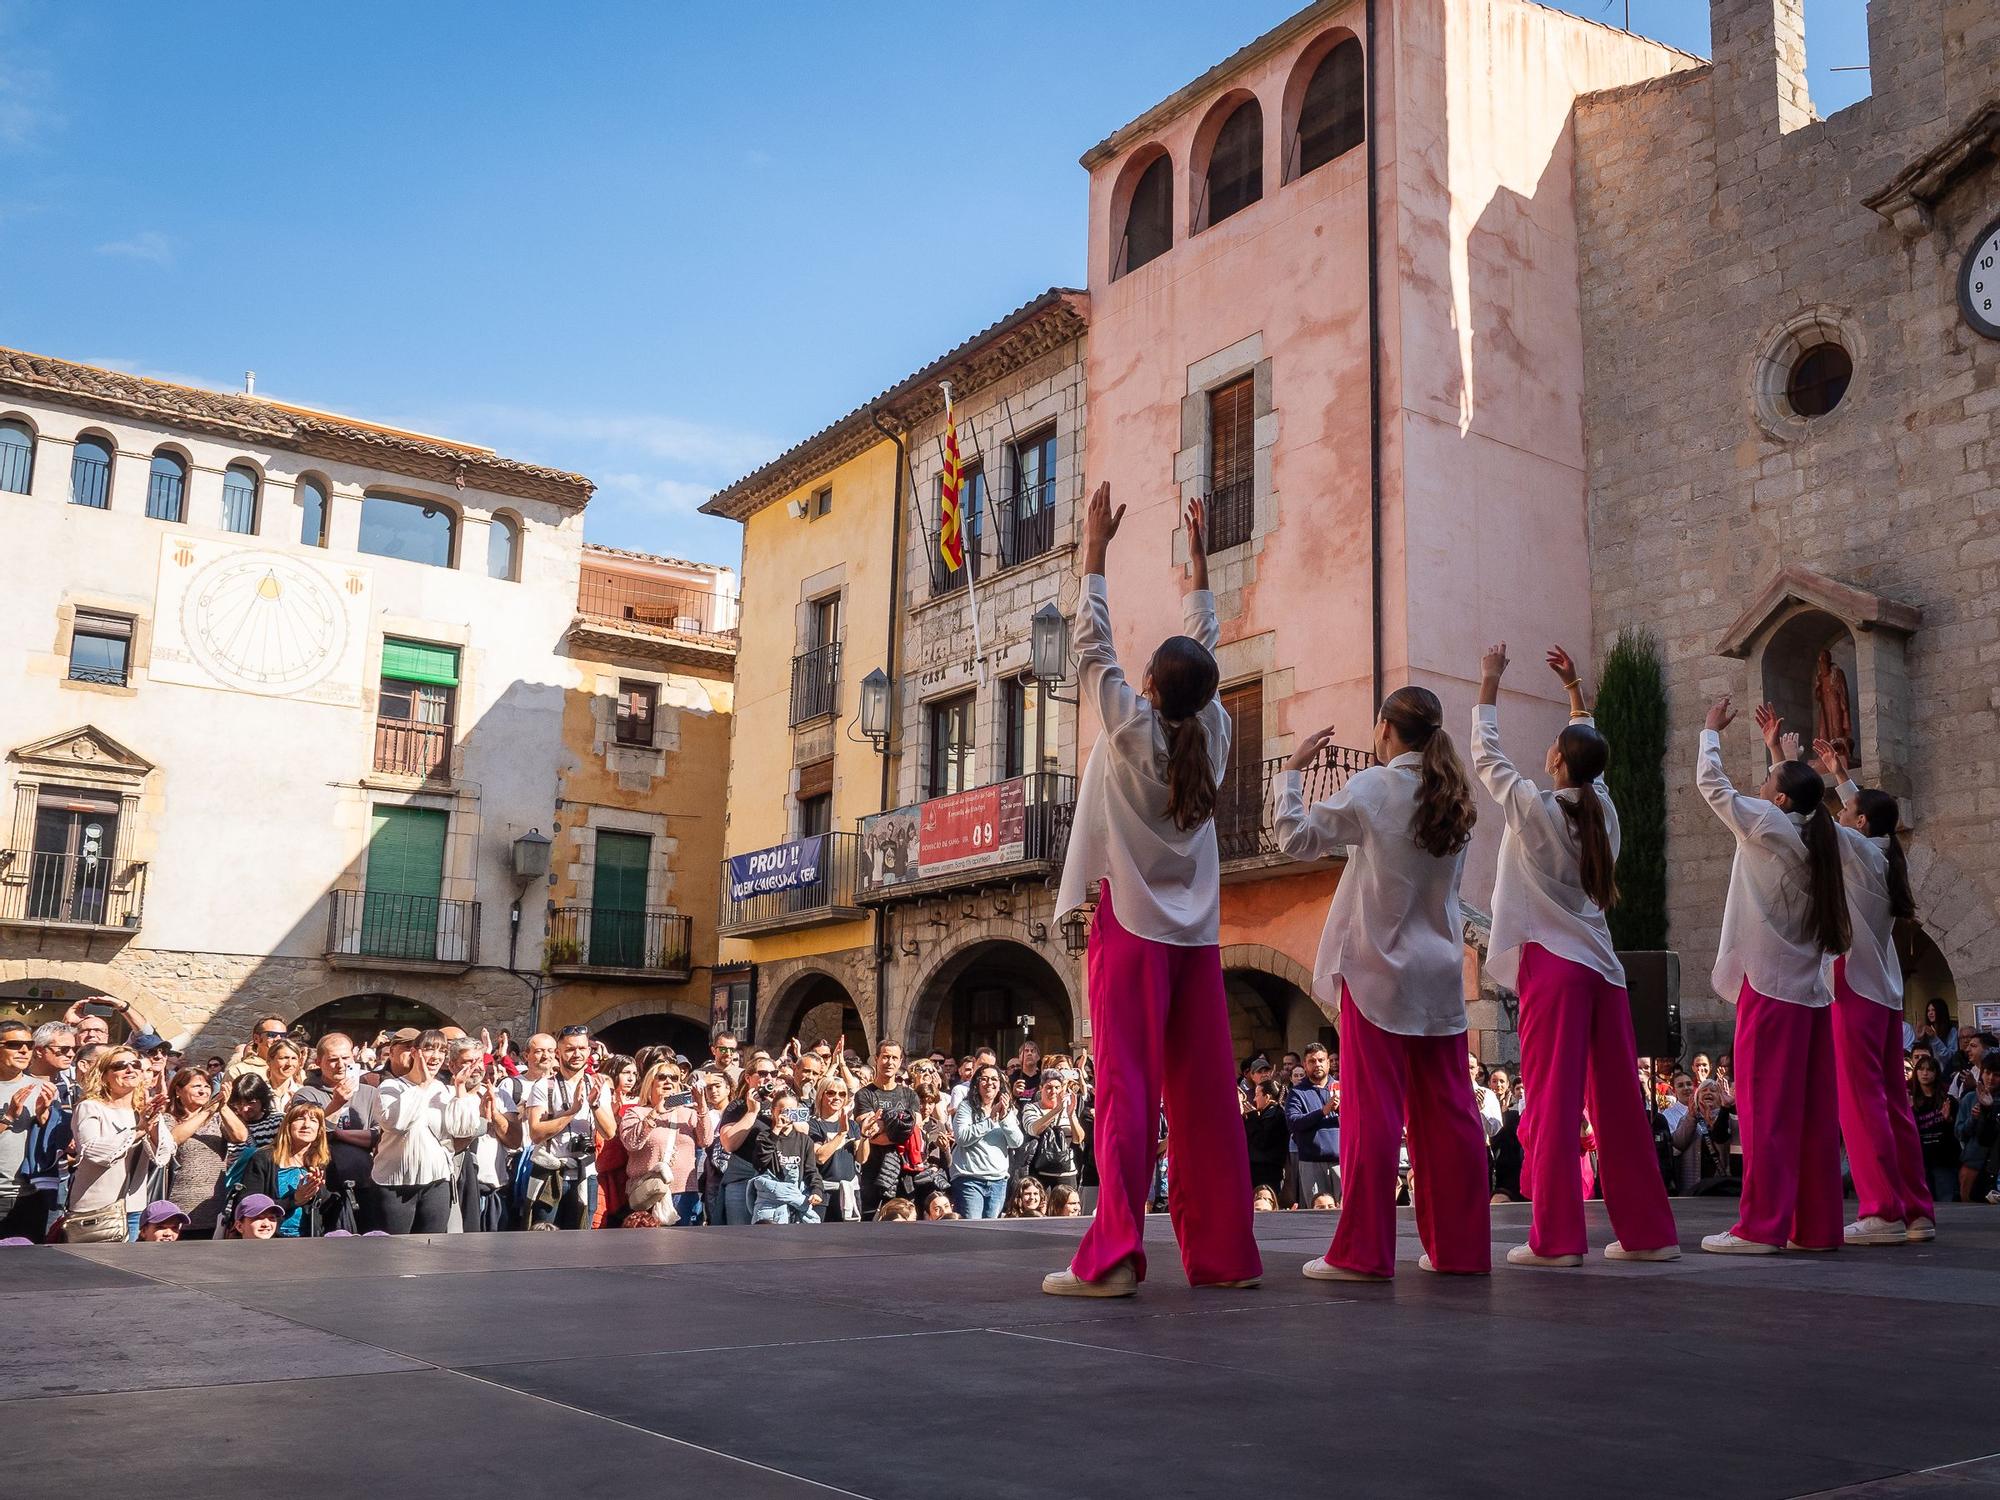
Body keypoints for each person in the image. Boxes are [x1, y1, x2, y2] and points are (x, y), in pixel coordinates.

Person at [1045, 484, 1261, 1298]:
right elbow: (1206, 653)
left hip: (1133, 931)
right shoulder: (1216, 728)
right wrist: (1200, 569)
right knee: (1206, 1097)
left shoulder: (1133, 729)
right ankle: (1226, 1258)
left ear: (1151, 688)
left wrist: (1094, 548)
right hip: (1196, 937)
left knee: (1127, 1093)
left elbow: (1089, 646)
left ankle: (1113, 1260)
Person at [1473, 643, 1680, 1267]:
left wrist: (1489, 680)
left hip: (1554, 971)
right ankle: (1649, 1235)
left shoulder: (1535, 809)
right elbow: (1593, 761)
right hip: (1604, 971)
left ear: (1556, 759)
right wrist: (1575, 694)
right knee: (1617, 1106)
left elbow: (1486, 755)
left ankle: (1556, 1240)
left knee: (1554, 1104)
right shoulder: (1604, 809)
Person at [1276, 684, 1491, 1282]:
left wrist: (1292, 773)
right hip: (1440, 970)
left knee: (1373, 1117)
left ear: (1385, 729)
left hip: (1377, 972)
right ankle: (1462, 1249)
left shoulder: (1377, 787)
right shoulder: (1455, 798)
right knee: (1450, 1115)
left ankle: (1363, 1254)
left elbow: (1295, 837)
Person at [1695, 700, 1850, 1255]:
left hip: (1770, 987)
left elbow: (1714, 787)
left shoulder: (1768, 824)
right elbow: (1788, 798)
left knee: (1763, 1112)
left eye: (1767, 781)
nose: (1759, 787)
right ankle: (1815, 1226)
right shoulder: (1818, 836)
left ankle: (1760, 1228)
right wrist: (1778, 755)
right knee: (1810, 1116)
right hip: (1809, 992)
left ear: (1780, 799)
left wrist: (1710, 734)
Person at [1813, 739, 1934, 1245]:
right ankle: (1915, 1210)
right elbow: (1857, 819)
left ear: (1860, 824)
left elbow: (1812, 819)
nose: (1842, 815)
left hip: (1855, 990)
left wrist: (1785, 763)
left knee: (1860, 1103)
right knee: (1893, 1103)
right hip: (1882, 994)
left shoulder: (1860, 851)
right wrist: (1843, 776)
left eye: (1849, 811)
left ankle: (1881, 1209)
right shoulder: (1883, 854)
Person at [371, 1029, 482, 1235]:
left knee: (431, 1250)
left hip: (437, 1182)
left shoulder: (445, 1090)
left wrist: (459, 1087)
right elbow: (396, 1124)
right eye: (429, 1048)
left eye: (442, 1050)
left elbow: (464, 1129)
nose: (436, 1056)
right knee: (392, 1252)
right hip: (395, 1183)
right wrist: (421, 1085)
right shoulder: (391, 1087)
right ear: (414, 1052)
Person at [65, 1045, 174, 1242]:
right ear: (104, 1075)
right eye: (120, 1065)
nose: (130, 1069)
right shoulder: (90, 1107)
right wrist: (139, 1130)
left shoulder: (142, 1110)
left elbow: (163, 1155)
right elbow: (93, 1151)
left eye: (135, 1065)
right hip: (95, 1209)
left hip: (133, 1207)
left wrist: (153, 1123)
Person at [521, 1025, 616, 1229]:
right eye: (570, 1049)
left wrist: (594, 1105)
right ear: (558, 1053)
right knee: (542, 1239)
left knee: (581, 1245)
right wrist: (572, 1111)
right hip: (550, 1172)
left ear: (589, 1051)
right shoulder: (544, 1086)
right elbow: (536, 1134)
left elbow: (609, 1132)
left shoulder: (598, 1086)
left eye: (582, 1048)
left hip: (585, 1173)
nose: (577, 1054)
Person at [233, 1102, 343, 1237]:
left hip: (311, 1241)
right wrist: (294, 1200)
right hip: (270, 1240)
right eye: (300, 1119)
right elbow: (248, 1204)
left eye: (313, 1120)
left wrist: (316, 1190)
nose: (306, 1125)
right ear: (288, 1125)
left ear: (319, 1129)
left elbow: (331, 1207)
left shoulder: (324, 1161)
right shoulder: (264, 1158)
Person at [619, 1060, 706, 1226]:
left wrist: (702, 1109)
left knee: (685, 1247)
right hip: (650, 1192)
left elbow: (705, 1140)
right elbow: (631, 1143)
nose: (669, 1081)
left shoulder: (688, 1114)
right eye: (662, 1077)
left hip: (684, 1193)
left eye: (674, 1078)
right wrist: (654, 1113)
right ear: (650, 1083)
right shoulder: (636, 1113)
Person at [165, 1066, 247, 1237]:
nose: (203, 1091)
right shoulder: (169, 1118)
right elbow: (173, 1139)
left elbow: (241, 1136)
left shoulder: (217, 1118)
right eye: (196, 1086)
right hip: (176, 1207)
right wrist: (207, 1111)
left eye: (207, 1087)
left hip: (212, 1206)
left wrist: (222, 1107)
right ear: (178, 1090)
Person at [853, 1042, 924, 1221]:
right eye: (885, 1057)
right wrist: (900, 1126)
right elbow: (871, 1134)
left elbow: (916, 1129)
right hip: (873, 1175)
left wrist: (883, 1124)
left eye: (894, 1058)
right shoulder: (864, 1095)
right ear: (876, 1059)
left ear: (900, 1062)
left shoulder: (909, 1095)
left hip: (904, 1174)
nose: (889, 1062)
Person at [0, 1019, 56, 1241]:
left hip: (31, 1195)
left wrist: (44, 1120)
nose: (24, 1050)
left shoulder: (43, 1089)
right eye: (14, 1044)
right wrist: (9, 1116)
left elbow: (55, 1148)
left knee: (27, 1269)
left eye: (30, 1045)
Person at [949, 1064, 1023, 1219]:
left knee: (992, 1232)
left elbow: (1017, 1142)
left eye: (995, 1079)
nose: (990, 1083)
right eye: (985, 1079)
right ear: (976, 1083)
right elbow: (962, 1138)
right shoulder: (966, 1107)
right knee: (973, 1231)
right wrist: (990, 1121)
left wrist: (1003, 1119)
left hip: (998, 1181)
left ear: (1000, 1086)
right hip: (969, 1180)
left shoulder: (1006, 1110)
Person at [747, 1082, 822, 1224]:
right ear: (774, 1111)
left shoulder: (804, 1140)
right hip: (769, 1202)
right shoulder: (764, 1136)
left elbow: (811, 1170)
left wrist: (816, 1190)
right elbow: (760, 1163)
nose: (787, 1116)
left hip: (795, 1199)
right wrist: (776, 1131)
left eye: (791, 1111)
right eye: (782, 1111)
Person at [1285, 1044, 1342, 1206]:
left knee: (1345, 1210)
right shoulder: (1297, 1093)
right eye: (1312, 1061)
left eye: (1321, 1060)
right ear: (1305, 1064)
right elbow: (1293, 1123)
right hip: (1311, 1163)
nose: (1317, 1064)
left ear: (1328, 1063)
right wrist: (1323, 1111)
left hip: (1341, 1161)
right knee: (1316, 1213)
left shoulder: (1342, 1087)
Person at [1022, 1071, 1086, 1197]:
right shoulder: (1031, 1108)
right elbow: (1034, 1129)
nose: (1053, 1091)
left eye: (1057, 1087)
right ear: (1041, 1088)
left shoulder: (1068, 1108)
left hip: (1067, 1172)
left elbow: (1079, 1139)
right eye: (1049, 1087)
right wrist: (1056, 1110)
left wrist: (1071, 1115)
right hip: (1041, 1172)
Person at [809, 1072, 861, 1224]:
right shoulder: (813, 1124)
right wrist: (841, 1135)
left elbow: (861, 1158)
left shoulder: (852, 1125)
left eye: (842, 1094)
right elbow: (819, 1157)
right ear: (821, 1095)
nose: (837, 1097)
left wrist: (865, 1136)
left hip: (850, 1192)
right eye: (831, 1093)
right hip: (823, 1193)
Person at [1909, 1052, 1957, 1205]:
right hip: (1920, 1158)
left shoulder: (1947, 1099)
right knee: (1924, 1202)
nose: (1925, 1073)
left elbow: (1957, 1130)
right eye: (1921, 1069)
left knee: (1945, 1200)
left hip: (1943, 1158)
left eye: (1929, 1070)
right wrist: (1908, 1112)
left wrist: (1948, 1119)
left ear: (1936, 1073)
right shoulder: (1910, 1100)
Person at [1956, 1055, 2000, 1204]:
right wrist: (1973, 1119)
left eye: (1996, 1075)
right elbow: (1960, 1132)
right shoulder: (1969, 1098)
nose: (1990, 1078)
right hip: (1973, 1163)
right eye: (1987, 1073)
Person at [1242, 1079, 1289, 1198]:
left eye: (1257, 1095)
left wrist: (1252, 1119)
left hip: (1268, 1170)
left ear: (1267, 1097)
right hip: (1258, 1169)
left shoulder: (1276, 1115)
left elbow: (1262, 1140)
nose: (1254, 1099)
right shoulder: (1264, 1114)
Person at [1915, 999, 1958, 1074]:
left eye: (1933, 1010)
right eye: (1928, 1011)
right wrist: (1919, 1039)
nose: (1930, 1013)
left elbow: (1950, 1057)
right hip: (1927, 1073)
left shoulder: (1951, 1030)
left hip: (1944, 1074)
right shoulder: (1927, 1029)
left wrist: (1935, 1038)